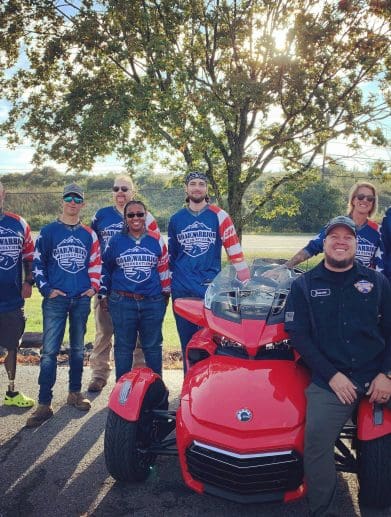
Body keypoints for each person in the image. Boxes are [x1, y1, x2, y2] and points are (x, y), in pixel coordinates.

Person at [284, 215, 391, 517]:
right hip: (331, 380)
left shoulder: (377, 281)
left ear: (357, 244)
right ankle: (323, 511)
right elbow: (298, 336)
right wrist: (332, 377)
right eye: (335, 236)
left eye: (348, 237)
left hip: (376, 373)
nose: (341, 241)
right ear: (325, 242)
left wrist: (386, 374)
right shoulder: (304, 285)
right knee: (316, 445)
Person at [26, 184, 101, 428]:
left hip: (80, 298)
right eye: (68, 198)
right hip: (56, 299)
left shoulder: (88, 234)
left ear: (82, 204)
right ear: (62, 201)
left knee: (78, 349)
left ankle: (74, 393)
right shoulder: (48, 232)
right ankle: (44, 403)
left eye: (77, 199)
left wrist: (93, 287)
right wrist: (47, 290)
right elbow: (38, 264)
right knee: (49, 351)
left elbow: (96, 262)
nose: (72, 202)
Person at [168, 171, 250, 373]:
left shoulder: (220, 216)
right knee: (187, 342)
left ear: (206, 189)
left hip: (210, 289)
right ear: (186, 189)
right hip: (182, 288)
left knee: (211, 343)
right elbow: (172, 256)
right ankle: (188, 386)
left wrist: (246, 283)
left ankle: (208, 388)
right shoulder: (176, 219)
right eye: (193, 183)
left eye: (201, 184)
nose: (197, 187)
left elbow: (235, 252)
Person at [88, 175, 159, 392]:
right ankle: (99, 374)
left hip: (135, 285)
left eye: (125, 188)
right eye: (116, 188)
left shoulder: (146, 217)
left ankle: (137, 373)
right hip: (106, 281)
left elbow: (155, 250)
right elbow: (91, 245)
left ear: (133, 192)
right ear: (112, 192)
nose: (120, 192)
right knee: (104, 331)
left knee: (136, 335)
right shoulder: (101, 215)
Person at [99, 200, 170, 379]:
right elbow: (106, 267)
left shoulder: (155, 239)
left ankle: (156, 391)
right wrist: (102, 293)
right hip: (122, 301)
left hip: (152, 301)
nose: (135, 218)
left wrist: (165, 295)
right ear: (125, 218)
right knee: (123, 347)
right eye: (131, 215)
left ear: (145, 216)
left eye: (140, 214)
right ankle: (121, 394)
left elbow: (163, 267)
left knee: (153, 347)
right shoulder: (116, 240)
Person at [284, 181, 381, 269]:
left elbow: (381, 262)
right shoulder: (336, 224)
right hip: (335, 281)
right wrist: (287, 266)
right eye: (360, 196)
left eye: (370, 198)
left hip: (363, 284)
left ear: (373, 203)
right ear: (353, 200)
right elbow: (312, 247)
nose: (365, 200)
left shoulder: (378, 231)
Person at [0, 181, 35, 408]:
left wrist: (29, 281)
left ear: (3, 195)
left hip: (11, 299)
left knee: (12, 345)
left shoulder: (18, 223)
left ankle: (11, 392)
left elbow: (29, 256)